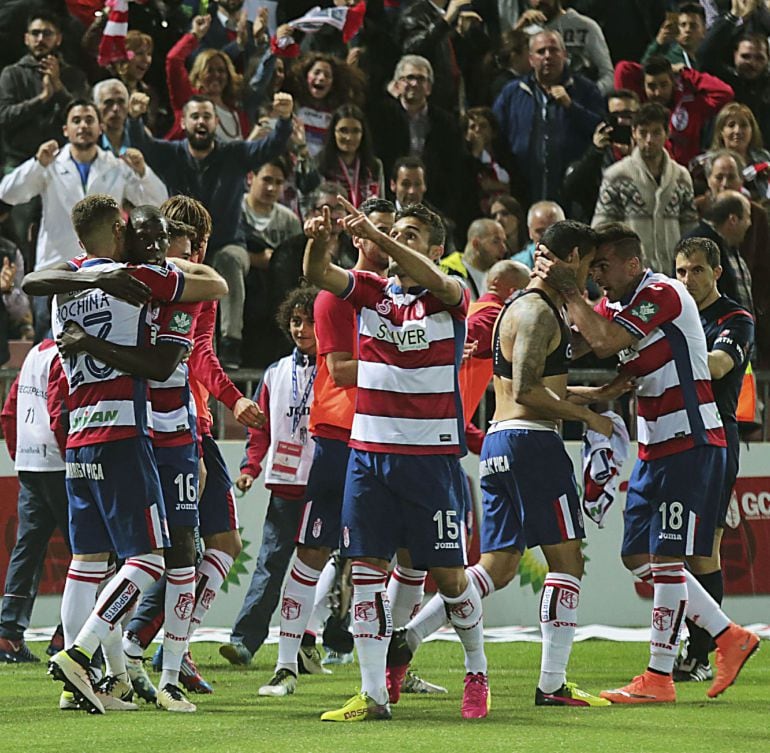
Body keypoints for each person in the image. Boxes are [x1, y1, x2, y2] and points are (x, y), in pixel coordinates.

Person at [390, 221, 624, 709]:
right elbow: (527, 392)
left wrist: (596, 394)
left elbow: (525, 387)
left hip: (499, 444)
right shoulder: (538, 310)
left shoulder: (517, 308)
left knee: (495, 567)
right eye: (589, 263)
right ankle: (552, 684)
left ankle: (409, 636)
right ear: (574, 257)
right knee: (568, 564)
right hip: (534, 445)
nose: (592, 274)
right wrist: (587, 418)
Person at [533, 221, 760, 704]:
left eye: (603, 267)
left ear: (632, 263)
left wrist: (571, 290)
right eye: (591, 268)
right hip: (653, 446)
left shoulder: (665, 292)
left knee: (668, 556)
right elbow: (575, 342)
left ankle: (660, 675)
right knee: (637, 556)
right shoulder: (614, 305)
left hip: (691, 439)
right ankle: (728, 635)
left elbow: (607, 342)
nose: (597, 276)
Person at [23, 194, 228, 714]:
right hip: (127, 431)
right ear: (124, 232)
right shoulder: (140, 280)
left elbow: (35, 280)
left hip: (125, 436)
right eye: (156, 239)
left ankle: (137, 676)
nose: (163, 250)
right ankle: (85, 656)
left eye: (173, 244)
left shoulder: (70, 281)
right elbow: (163, 358)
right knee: (149, 557)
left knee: (99, 560)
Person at [304, 199, 490, 721]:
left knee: (451, 579)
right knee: (365, 573)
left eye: (411, 236)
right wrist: (321, 238)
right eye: (395, 234)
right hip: (368, 456)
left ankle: (476, 670)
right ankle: (373, 694)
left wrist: (380, 238)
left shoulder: (452, 297)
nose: (398, 243)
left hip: (431, 461)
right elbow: (319, 272)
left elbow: (440, 281)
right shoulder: (372, 293)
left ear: (435, 250)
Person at [250, 197, 394, 683]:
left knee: (387, 558)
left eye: (397, 233)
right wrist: (407, 361)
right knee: (311, 551)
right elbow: (340, 370)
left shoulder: (400, 294)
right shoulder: (338, 296)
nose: (390, 242)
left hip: (390, 434)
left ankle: (395, 666)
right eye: (381, 232)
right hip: (338, 437)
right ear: (359, 238)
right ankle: (286, 664)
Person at [126, 89, 294, 368]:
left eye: (207, 116)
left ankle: (230, 344)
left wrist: (285, 120)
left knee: (229, 260)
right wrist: (134, 117)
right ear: (183, 123)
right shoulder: (171, 154)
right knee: (168, 267)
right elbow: (143, 143)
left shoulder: (235, 154)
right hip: (180, 246)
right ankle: (166, 340)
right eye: (195, 116)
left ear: (216, 122)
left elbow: (271, 147)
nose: (201, 122)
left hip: (228, 242)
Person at [0, 99, 168, 339]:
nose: (83, 126)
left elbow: (157, 204)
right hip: (54, 269)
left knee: (100, 343)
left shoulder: (117, 166)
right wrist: (37, 164)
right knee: (49, 350)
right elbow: (7, 193)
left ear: (100, 128)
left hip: (104, 272)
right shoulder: (50, 164)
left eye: (90, 120)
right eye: (76, 120)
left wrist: (143, 172)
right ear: (65, 130)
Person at [222, 287, 319, 664]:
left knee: (340, 566)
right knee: (270, 565)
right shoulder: (276, 373)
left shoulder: (337, 368)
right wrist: (250, 468)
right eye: (296, 321)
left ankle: (326, 642)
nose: (301, 329)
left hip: (328, 485)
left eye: (310, 321)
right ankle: (244, 641)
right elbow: (260, 429)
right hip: (286, 485)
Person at [674, 236, 754, 682]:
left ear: (717, 272)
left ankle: (701, 654)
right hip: (673, 435)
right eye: (681, 271)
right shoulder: (675, 314)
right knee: (676, 549)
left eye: (698, 270)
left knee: (703, 548)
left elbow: (718, 366)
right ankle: (692, 648)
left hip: (714, 436)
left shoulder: (734, 318)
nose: (688, 280)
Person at [0, 339, 68, 664]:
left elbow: (9, 411)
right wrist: (74, 459)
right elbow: (60, 413)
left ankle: (8, 634)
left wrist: (19, 456)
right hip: (60, 464)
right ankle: (67, 636)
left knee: (27, 549)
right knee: (92, 554)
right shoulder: (65, 353)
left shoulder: (34, 354)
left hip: (31, 463)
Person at [492, 30, 604, 204]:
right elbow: (495, 132)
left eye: (553, 50)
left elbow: (601, 129)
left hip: (573, 191)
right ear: (530, 59)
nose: (547, 56)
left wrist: (571, 106)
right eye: (541, 51)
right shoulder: (512, 92)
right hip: (523, 188)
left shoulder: (585, 89)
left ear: (564, 55)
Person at [593, 102, 697, 275]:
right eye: (643, 132)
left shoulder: (681, 176)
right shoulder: (617, 175)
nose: (649, 139)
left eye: (656, 132)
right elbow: (602, 230)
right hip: (632, 276)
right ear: (634, 133)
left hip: (674, 276)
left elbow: (690, 231)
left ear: (667, 133)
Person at [368, 55, 466, 220]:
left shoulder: (446, 123)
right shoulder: (380, 117)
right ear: (397, 85)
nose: (414, 83)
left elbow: (455, 170)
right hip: (389, 200)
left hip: (435, 204)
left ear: (429, 87)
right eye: (409, 78)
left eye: (421, 79)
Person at [0, 10, 89, 170]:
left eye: (47, 34)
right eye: (35, 33)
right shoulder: (12, 73)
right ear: (27, 39)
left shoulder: (74, 75)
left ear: (58, 39)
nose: (40, 39)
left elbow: (84, 117)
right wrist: (42, 98)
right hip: (19, 160)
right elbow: (4, 117)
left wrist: (58, 87)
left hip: (62, 160)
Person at [614, 54, 733, 167]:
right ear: (643, 85)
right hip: (645, 170)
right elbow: (622, 69)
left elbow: (725, 93)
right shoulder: (639, 105)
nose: (658, 92)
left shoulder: (691, 103)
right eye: (651, 86)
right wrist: (647, 68)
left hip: (685, 176)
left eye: (664, 85)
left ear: (673, 82)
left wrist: (686, 73)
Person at [166, 15, 250, 142]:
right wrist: (194, 35)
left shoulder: (239, 116)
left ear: (228, 76)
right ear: (198, 75)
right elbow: (173, 60)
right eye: (209, 70)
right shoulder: (188, 100)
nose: (216, 75)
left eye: (221, 71)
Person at [698, 0, 770, 146]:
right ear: (735, 55)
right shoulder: (723, 81)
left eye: (759, 57)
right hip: (722, 156)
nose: (752, 63)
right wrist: (733, 16)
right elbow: (704, 55)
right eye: (745, 56)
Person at [562, 89, 640, 223]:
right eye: (615, 116)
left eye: (627, 116)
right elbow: (571, 188)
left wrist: (637, 158)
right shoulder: (594, 154)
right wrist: (595, 151)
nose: (621, 121)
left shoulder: (649, 153)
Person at [515, 0, 614, 93]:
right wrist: (518, 29)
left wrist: (589, 96)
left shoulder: (585, 26)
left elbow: (608, 75)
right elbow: (507, 69)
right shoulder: (526, 32)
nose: (540, 1)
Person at [683, 191, 754, 314]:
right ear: (733, 220)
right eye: (748, 217)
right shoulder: (698, 246)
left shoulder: (729, 244)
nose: (750, 223)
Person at [316, 104, 384, 208]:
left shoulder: (374, 165)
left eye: (355, 131)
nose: (349, 137)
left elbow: (382, 206)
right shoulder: (320, 163)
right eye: (343, 130)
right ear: (333, 132)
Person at [707, 102, 770, 202]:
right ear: (721, 131)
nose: (737, 131)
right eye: (731, 125)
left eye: (744, 125)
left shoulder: (763, 158)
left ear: (752, 130)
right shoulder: (709, 162)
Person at [440, 219, 508, 300]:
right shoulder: (447, 273)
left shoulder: (499, 277)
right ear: (476, 244)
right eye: (496, 241)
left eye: (504, 242)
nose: (504, 249)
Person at [642, 2, 707, 69]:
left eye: (693, 26)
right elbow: (643, 70)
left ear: (704, 30)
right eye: (683, 25)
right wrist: (658, 43)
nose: (687, 30)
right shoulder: (668, 59)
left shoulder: (711, 55)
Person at [512, 200, 565, 268]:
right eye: (540, 232)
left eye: (553, 231)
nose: (547, 237)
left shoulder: (579, 262)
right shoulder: (516, 266)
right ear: (530, 232)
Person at [92, 79, 131, 156]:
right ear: (96, 107)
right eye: (108, 103)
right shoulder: (88, 145)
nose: (115, 108)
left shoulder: (140, 139)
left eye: (121, 102)